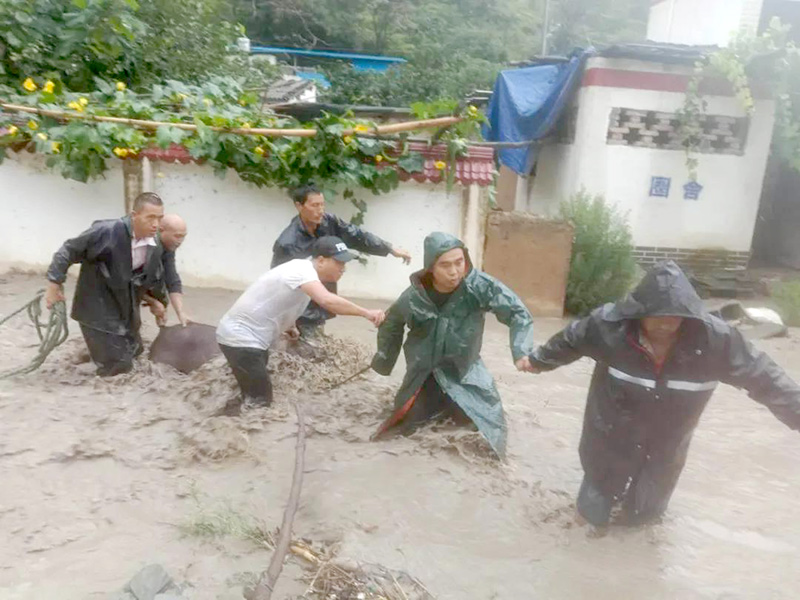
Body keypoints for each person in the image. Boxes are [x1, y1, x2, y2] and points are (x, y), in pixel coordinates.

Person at [520, 261, 800, 527]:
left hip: (666, 450)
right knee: (590, 518)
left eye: (675, 316)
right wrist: (538, 361)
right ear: (639, 312)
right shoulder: (607, 327)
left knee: (642, 524)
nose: (666, 323)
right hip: (609, 442)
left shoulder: (716, 341)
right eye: (657, 315)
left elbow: (766, 377)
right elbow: (571, 340)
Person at [370, 232, 534, 458]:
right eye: (445, 265)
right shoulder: (413, 297)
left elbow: (518, 313)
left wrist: (521, 351)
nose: (455, 271)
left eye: (459, 262)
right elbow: (392, 323)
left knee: (489, 440)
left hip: (466, 374)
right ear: (431, 268)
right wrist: (383, 361)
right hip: (423, 377)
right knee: (397, 432)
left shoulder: (480, 286)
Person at [217, 236, 386, 410]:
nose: (343, 269)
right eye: (339, 263)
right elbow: (327, 301)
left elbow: (283, 301)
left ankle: (228, 417)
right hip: (241, 339)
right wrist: (367, 313)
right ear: (320, 260)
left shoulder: (304, 273)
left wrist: (290, 326)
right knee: (260, 401)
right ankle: (225, 429)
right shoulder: (302, 271)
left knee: (252, 394)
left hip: (250, 340)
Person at [45, 192, 167, 376]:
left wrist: (156, 302)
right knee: (119, 368)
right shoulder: (106, 231)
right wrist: (54, 285)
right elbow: (68, 251)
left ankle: (92, 353)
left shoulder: (155, 244)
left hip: (124, 310)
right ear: (134, 215)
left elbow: (146, 279)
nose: (156, 224)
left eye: (159, 218)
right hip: (96, 310)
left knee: (137, 352)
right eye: (150, 217)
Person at [271, 183, 412, 334]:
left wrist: (389, 248)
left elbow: (357, 235)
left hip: (320, 304)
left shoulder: (328, 222)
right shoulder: (287, 243)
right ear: (299, 206)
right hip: (299, 310)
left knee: (317, 341)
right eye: (314, 205)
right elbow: (279, 283)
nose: (320, 210)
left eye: (322, 205)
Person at [145, 213, 189, 327]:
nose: (180, 241)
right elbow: (130, 282)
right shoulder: (148, 247)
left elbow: (171, 278)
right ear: (161, 230)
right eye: (177, 236)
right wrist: (154, 302)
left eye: (183, 236)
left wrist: (180, 312)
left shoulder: (169, 246)